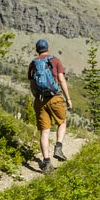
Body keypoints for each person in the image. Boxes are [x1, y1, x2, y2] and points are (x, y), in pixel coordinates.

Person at [28, 39, 72, 174]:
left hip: (40, 100)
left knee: (44, 131)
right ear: (48, 48)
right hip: (54, 97)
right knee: (62, 122)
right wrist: (68, 98)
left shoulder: (33, 64)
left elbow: (32, 85)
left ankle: (46, 163)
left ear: (37, 50)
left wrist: (37, 98)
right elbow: (62, 80)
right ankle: (58, 147)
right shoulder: (55, 61)